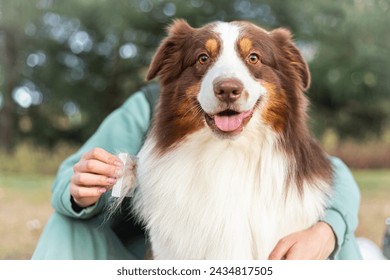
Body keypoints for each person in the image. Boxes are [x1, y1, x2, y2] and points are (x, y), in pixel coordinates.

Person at [32, 84, 363, 260]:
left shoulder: (273, 119)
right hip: (153, 260)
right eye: (203, 59)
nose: (226, 84)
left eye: (249, 60)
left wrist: (327, 231)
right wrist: (79, 191)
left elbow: (335, 173)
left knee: (334, 234)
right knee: (67, 222)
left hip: (268, 253)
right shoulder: (148, 105)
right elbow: (68, 179)